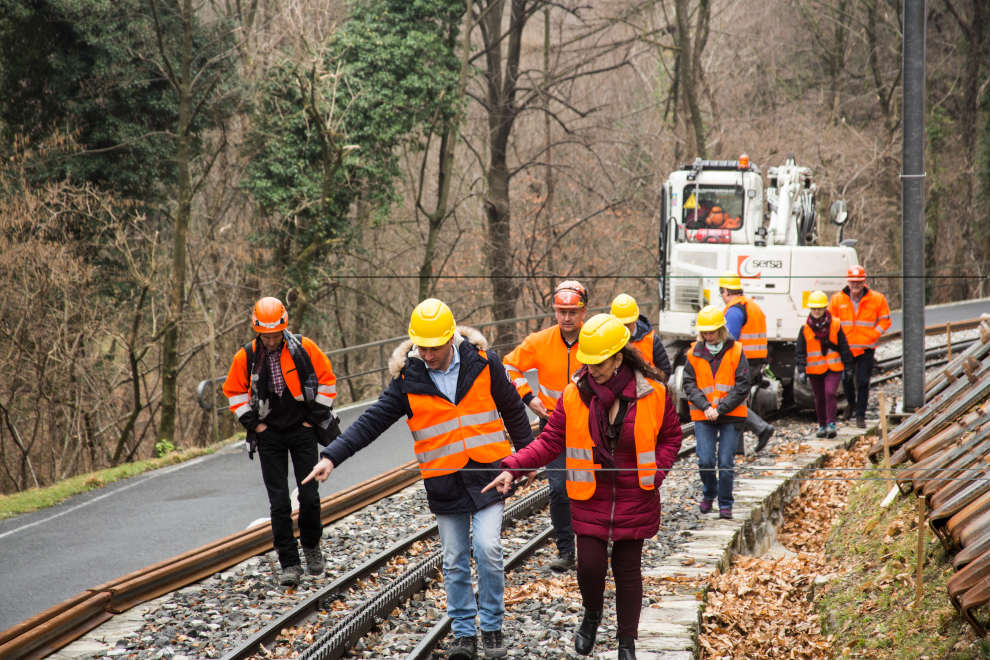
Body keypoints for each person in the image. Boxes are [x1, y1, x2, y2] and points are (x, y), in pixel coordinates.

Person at [303, 299, 533, 660]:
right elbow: (370, 422)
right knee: (455, 558)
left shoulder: (485, 364)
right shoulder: (407, 381)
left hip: (490, 476)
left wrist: (525, 460)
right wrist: (333, 455)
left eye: (433, 346)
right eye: (420, 346)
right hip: (444, 482)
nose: (426, 353)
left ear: (451, 338)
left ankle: (491, 627)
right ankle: (463, 634)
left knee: (488, 549)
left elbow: (514, 412)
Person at [484, 314, 683, 660]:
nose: (592, 369)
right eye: (587, 362)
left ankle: (626, 643)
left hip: (635, 495)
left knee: (627, 571)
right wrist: (513, 468)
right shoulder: (573, 395)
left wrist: (657, 473)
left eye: (599, 362)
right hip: (589, 495)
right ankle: (591, 615)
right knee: (589, 567)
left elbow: (671, 437)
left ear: (619, 358)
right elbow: (549, 441)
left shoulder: (654, 394)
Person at [222, 297, 339, 587]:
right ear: (257, 331)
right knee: (278, 503)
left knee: (309, 497)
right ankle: (289, 563)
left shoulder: (304, 348)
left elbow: (328, 381)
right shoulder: (246, 356)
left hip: (302, 430)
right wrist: (255, 425)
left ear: (284, 329)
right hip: (269, 434)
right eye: (267, 336)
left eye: (276, 335)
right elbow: (233, 393)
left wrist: (313, 419)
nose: (272, 341)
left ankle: (312, 548)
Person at [502, 280, 588, 571]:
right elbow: (509, 366)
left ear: (583, 311)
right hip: (554, 425)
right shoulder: (540, 341)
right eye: (561, 311)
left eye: (572, 311)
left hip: (591, 426)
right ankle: (566, 550)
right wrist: (528, 397)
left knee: (596, 485)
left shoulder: (594, 339)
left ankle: (599, 541)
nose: (566, 317)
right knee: (559, 488)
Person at [683, 305, 750, 519]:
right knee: (705, 460)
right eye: (705, 332)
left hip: (730, 415)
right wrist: (705, 407)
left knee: (725, 462)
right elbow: (689, 384)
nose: (708, 336)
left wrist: (719, 409)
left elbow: (742, 385)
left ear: (721, 330)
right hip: (703, 415)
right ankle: (709, 494)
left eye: (711, 332)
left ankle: (725, 504)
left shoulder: (737, 351)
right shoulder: (693, 353)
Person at [829, 265, 891, 428]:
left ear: (864, 281)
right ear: (848, 282)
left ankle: (860, 415)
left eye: (858, 281)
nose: (855, 285)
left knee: (863, 382)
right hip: (846, 349)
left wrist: (873, 334)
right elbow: (831, 322)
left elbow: (886, 319)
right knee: (847, 380)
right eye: (853, 282)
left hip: (866, 348)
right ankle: (851, 404)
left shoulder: (877, 299)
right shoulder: (837, 299)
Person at [719, 274, 774, 453]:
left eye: (722, 292)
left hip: (742, 362)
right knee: (739, 401)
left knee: (734, 402)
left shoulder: (734, 310)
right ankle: (737, 448)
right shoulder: (752, 306)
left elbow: (729, 340)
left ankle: (761, 428)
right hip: (755, 361)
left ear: (725, 291)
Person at [795, 291, 854, 438]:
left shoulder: (835, 324)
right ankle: (822, 425)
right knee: (819, 397)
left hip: (833, 367)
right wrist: (801, 369)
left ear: (824, 308)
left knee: (830, 393)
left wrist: (848, 367)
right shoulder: (805, 328)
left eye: (819, 308)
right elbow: (800, 351)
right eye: (814, 309)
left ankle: (831, 424)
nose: (816, 311)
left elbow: (843, 346)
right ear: (810, 309)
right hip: (814, 369)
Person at [610, 293, 672, 381]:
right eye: (620, 324)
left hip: (647, 391)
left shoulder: (651, 339)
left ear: (635, 319)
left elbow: (665, 373)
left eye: (627, 324)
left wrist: (646, 369)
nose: (624, 328)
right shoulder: (608, 339)